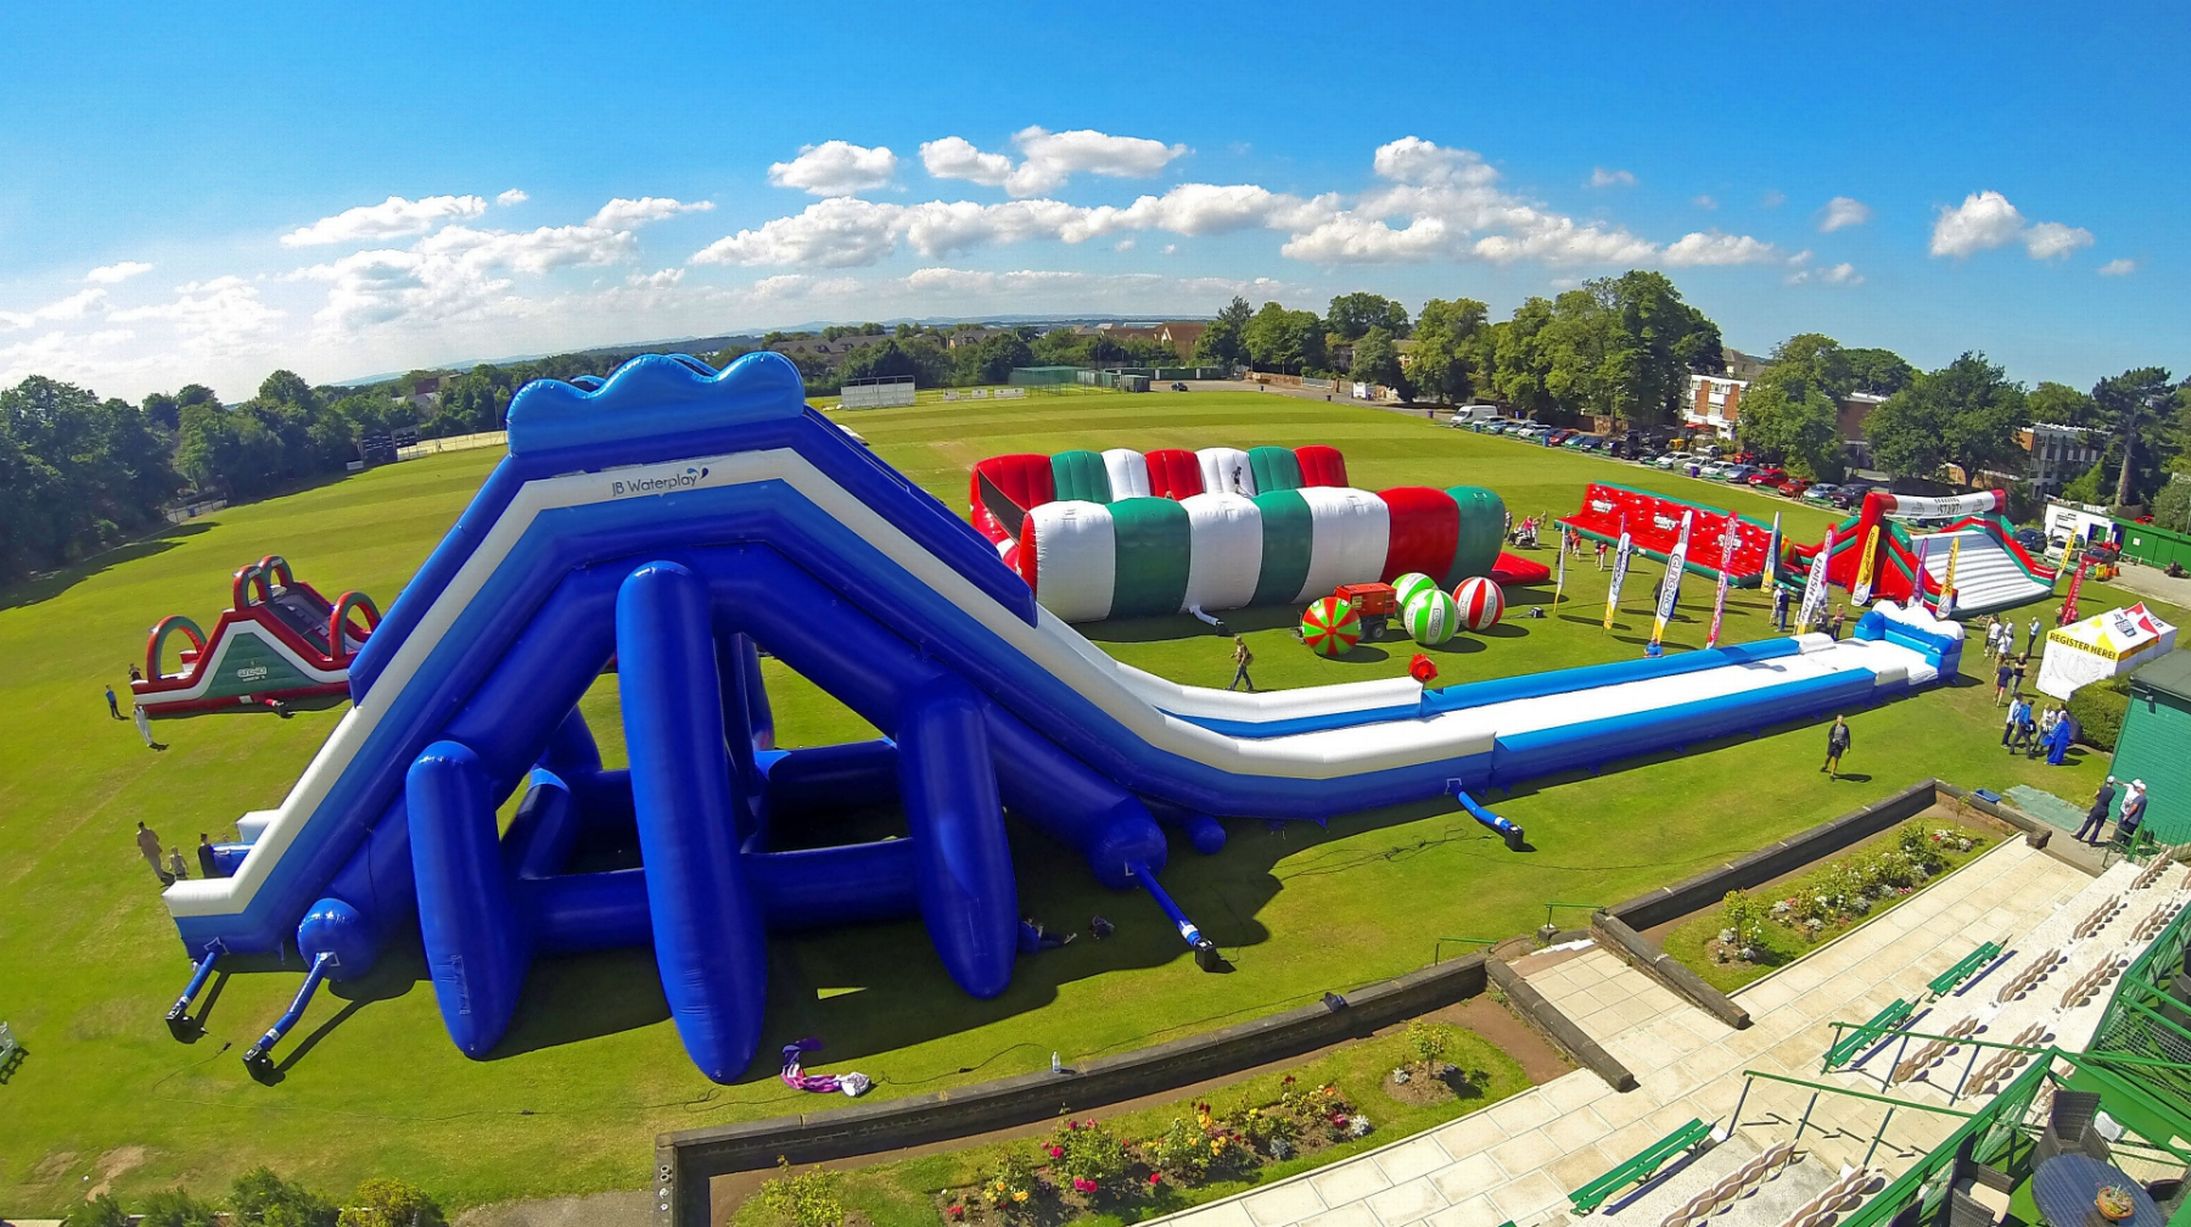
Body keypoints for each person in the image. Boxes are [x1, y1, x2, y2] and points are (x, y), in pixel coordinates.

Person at [2076, 777, 2120, 843]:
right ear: (2113, 783)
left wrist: (2098, 798)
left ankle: (2079, 836)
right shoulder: (2113, 792)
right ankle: (2092, 840)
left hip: (2097, 808)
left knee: (2089, 822)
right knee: (2098, 827)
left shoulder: (2102, 788)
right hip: (2104, 810)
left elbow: (2095, 795)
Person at [135, 821, 171, 886]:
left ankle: (160, 873)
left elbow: (139, 844)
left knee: (154, 863)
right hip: (154, 848)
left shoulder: (139, 835)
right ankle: (160, 875)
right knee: (157, 861)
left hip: (147, 850)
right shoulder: (149, 831)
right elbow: (157, 838)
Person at [2116, 780, 2149, 849]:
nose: (2137, 789)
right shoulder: (2145, 799)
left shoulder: (2139, 798)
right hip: (2136, 821)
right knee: (2129, 834)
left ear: (2141, 789)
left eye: (2138, 788)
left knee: (2123, 832)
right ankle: (2124, 847)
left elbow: (2134, 807)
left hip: (2132, 820)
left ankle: (2116, 845)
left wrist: (2127, 815)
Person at [1821, 715, 1852, 780]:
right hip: (1832, 745)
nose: (1841, 720)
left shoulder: (1845, 728)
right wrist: (1833, 739)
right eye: (1840, 719)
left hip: (1840, 746)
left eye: (1842, 719)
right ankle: (1825, 765)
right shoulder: (1834, 727)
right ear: (1837, 720)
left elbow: (1847, 738)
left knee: (1835, 759)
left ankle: (1832, 773)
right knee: (1828, 757)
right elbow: (1830, 734)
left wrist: (1848, 747)